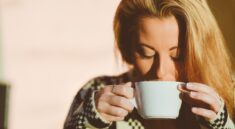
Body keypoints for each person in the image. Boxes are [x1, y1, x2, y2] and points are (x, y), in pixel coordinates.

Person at [64, 0, 235, 129]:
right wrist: (89, 121)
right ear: (128, 49)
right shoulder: (96, 91)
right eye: (147, 53)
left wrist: (222, 124)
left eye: (178, 55)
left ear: (202, 50)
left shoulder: (229, 92)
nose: (160, 72)